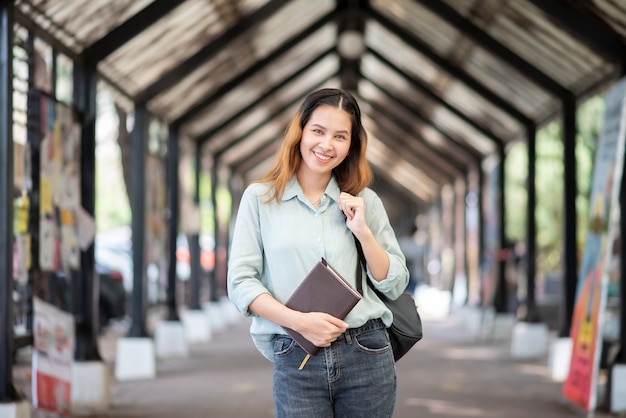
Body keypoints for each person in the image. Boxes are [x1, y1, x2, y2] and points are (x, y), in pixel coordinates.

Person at [227, 88, 409, 418]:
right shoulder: (260, 199)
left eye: (340, 136)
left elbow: (393, 283)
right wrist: (299, 322)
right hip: (295, 353)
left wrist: (363, 232)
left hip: (366, 351)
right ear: (300, 132)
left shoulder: (365, 202)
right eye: (318, 131)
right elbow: (241, 282)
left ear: (352, 145)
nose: (326, 145)